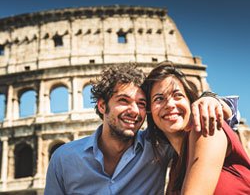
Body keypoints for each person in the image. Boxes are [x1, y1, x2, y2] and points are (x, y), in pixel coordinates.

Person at [44, 64, 239, 194]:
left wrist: (211, 98)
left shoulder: (159, 146)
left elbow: (206, 124)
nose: (134, 111)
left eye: (141, 103)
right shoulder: (63, 159)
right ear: (102, 106)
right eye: (123, 101)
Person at [143, 62, 250, 194]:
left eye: (178, 95)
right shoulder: (174, 167)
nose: (170, 104)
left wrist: (213, 98)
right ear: (149, 111)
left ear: (191, 103)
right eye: (159, 98)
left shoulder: (207, 128)